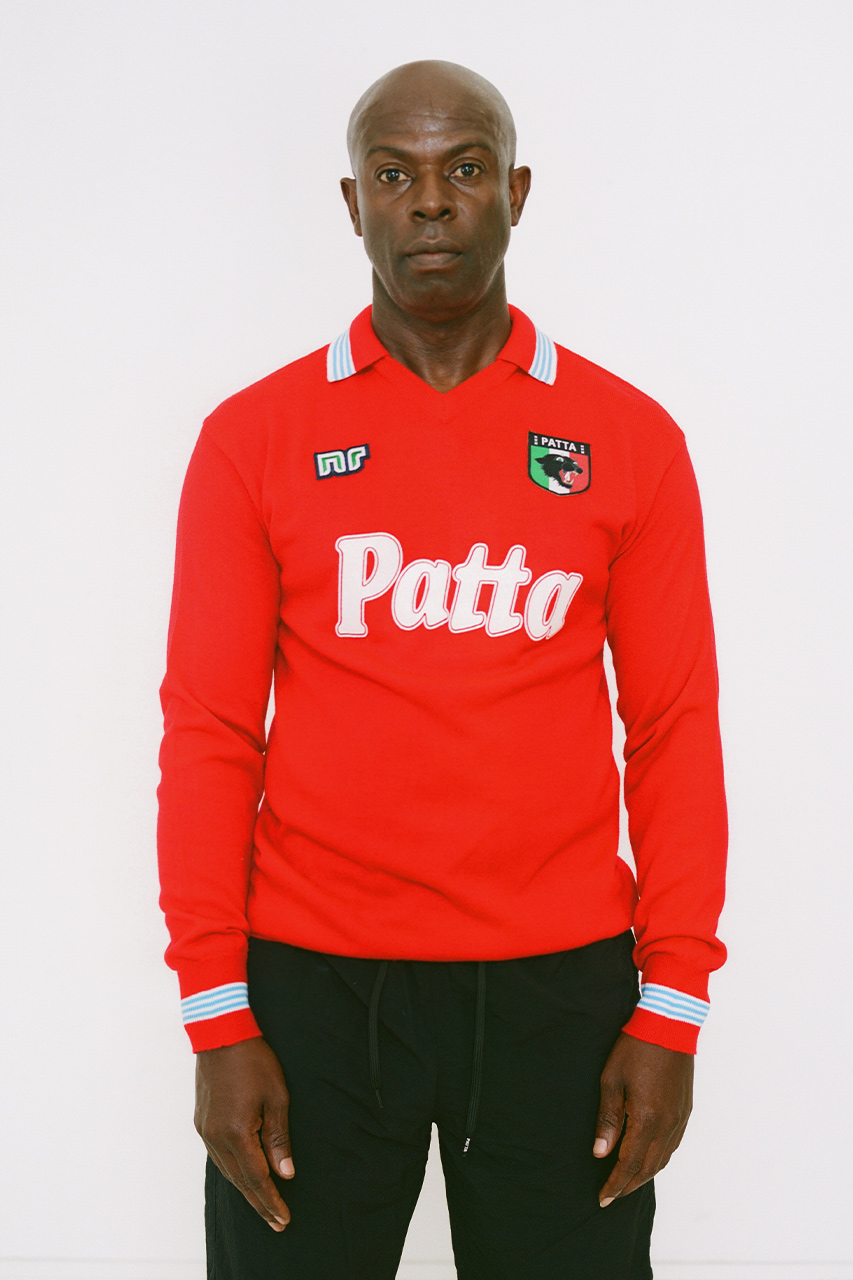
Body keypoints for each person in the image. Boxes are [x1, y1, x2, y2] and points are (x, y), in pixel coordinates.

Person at [157, 58, 727, 1280]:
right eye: (393, 173)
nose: (428, 200)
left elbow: (672, 726)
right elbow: (209, 732)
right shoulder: (254, 437)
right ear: (351, 203)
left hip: (560, 991)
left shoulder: (628, 439)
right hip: (311, 989)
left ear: (514, 193)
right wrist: (216, 1009)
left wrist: (671, 1002)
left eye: (463, 168)